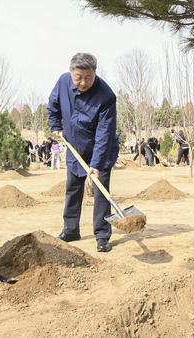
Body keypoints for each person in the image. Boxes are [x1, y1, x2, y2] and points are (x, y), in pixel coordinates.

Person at [48, 53, 119, 253]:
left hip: (101, 149)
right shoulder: (63, 82)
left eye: (88, 77)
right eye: (78, 77)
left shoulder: (106, 95)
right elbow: (52, 105)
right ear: (71, 72)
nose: (83, 82)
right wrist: (55, 125)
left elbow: (104, 133)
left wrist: (96, 164)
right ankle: (71, 230)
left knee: (100, 191)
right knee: (72, 188)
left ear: (95, 73)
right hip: (75, 146)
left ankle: (102, 235)